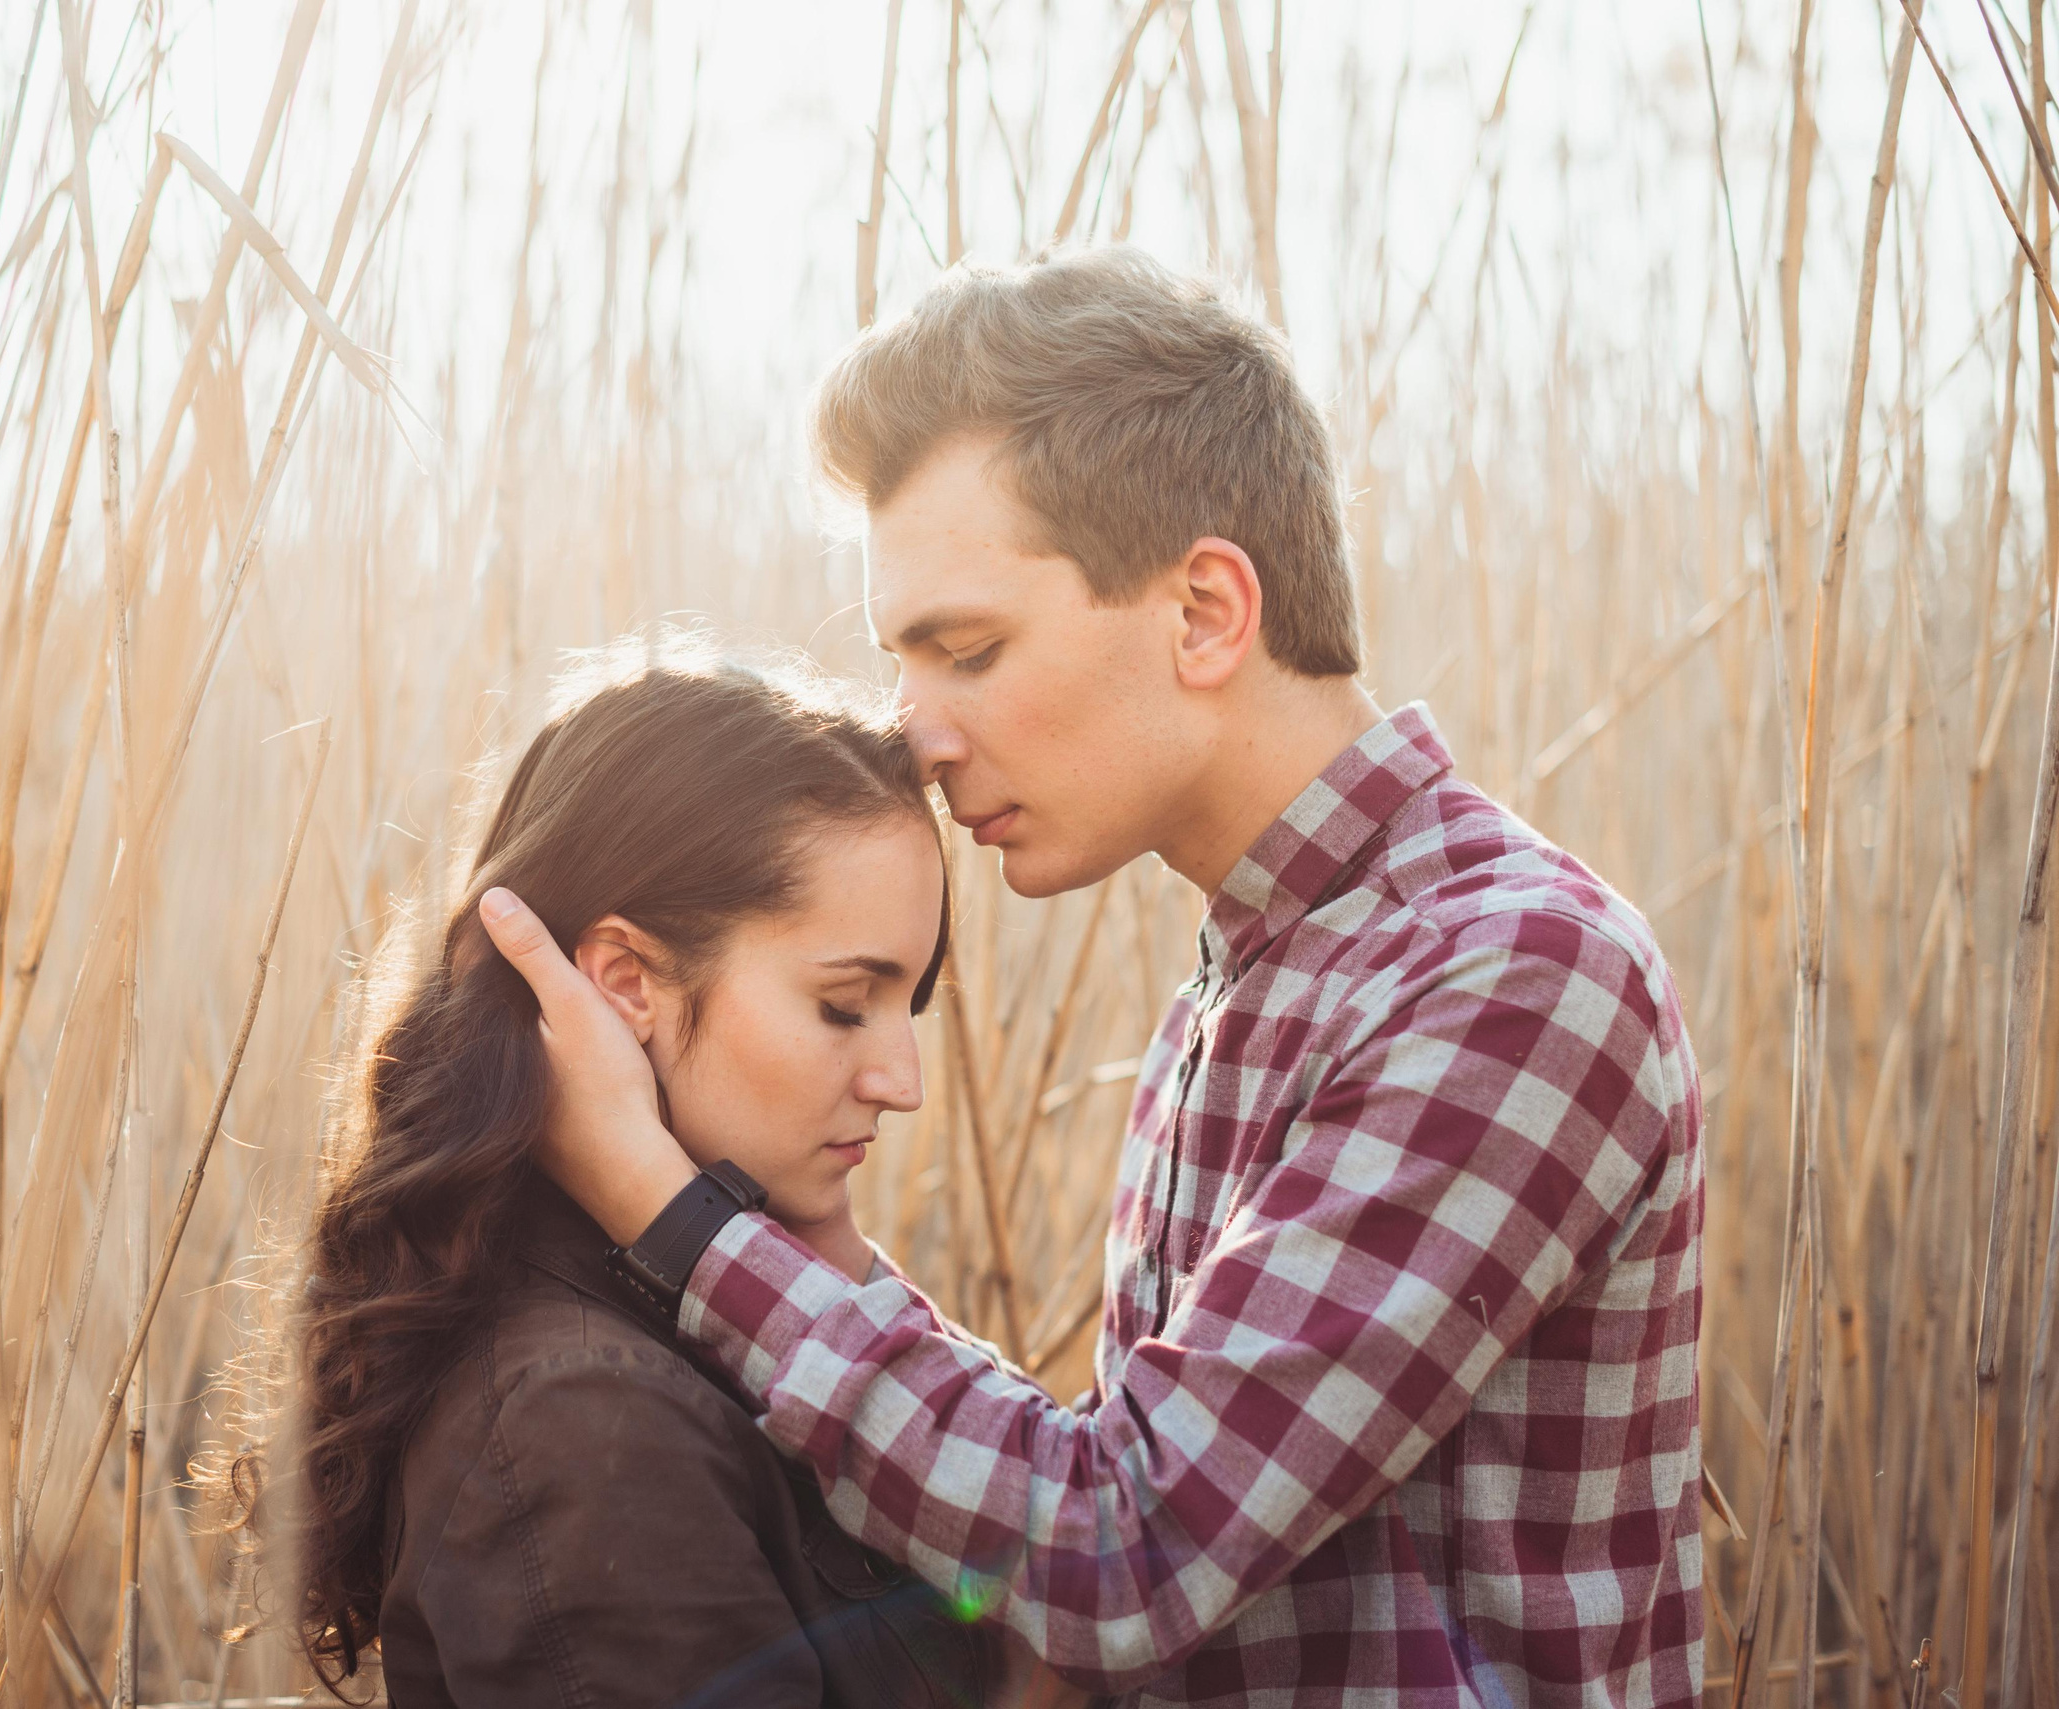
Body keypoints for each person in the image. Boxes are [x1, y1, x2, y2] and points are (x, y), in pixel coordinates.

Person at [480, 249, 1707, 1705]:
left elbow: (1128, 1546)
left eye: (969, 649)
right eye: (902, 660)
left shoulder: (1508, 976)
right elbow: (1128, 1503)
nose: (916, 734)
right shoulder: (1238, 996)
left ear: (1202, 612)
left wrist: (674, 1220)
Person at [239, 636, 999, 1706]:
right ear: (624, 982)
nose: (901, 1080)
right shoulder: (582, 1414)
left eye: (906, 1004)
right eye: (842, 1004)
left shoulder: (714, 1315)